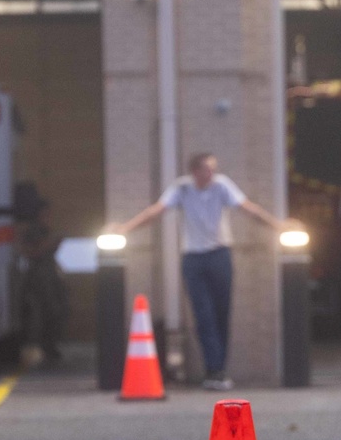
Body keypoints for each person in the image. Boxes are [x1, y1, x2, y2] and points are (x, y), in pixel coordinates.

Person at [113, 152, 287, 390]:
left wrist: (278, 226)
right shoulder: (182, 188)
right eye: (207, 169)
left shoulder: (222, 185)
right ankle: (213, 369)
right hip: (193, 257)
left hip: (219, 254)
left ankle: (218, 370)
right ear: (195, 171)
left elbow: (248, 208)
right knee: (203, 315)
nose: (211, 174)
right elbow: (156, 210)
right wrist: (126, 228)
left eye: (213, 169)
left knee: (221, 312)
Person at [15, 182, 67, 367]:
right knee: (39, 314)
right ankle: (37, 347)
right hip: (37, 277)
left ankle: (50, 346)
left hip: (50, 275)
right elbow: (29, 251)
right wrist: (49, 243)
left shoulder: (47, 230)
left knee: (55, 311)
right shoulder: (33, 231)